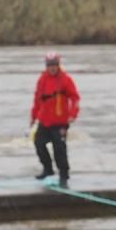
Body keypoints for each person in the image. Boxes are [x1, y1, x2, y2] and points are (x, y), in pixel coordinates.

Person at [30, 50, 79, 187]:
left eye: (54, 64)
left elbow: (75, 98)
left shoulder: (66, 80)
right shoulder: (42, 80)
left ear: (58, 64)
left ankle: (64, 174)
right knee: (38, 143)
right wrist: (33, 117)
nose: (52, 67)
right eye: (49, 65)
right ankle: (47, 168)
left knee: (60, 149)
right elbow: (37, 100)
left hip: (60, 122)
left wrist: (72, 114)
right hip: (44, 121)